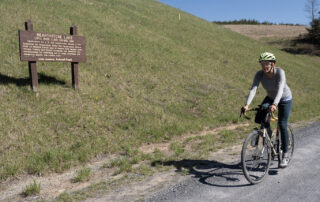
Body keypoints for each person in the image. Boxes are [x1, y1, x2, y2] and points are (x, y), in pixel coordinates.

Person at [242, 52, 292, 168]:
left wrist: (275, 104)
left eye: (267, 64)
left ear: (273, 64)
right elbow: (253, 89)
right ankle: (266, 132)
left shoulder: (280, 72)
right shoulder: (259, 74)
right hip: (270, 97)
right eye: (262, 64)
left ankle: (285, 154)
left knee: (282, 125)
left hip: (284, 99)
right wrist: (246, 105)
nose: (265, 66)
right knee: (261, 113)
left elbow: (280, 90)